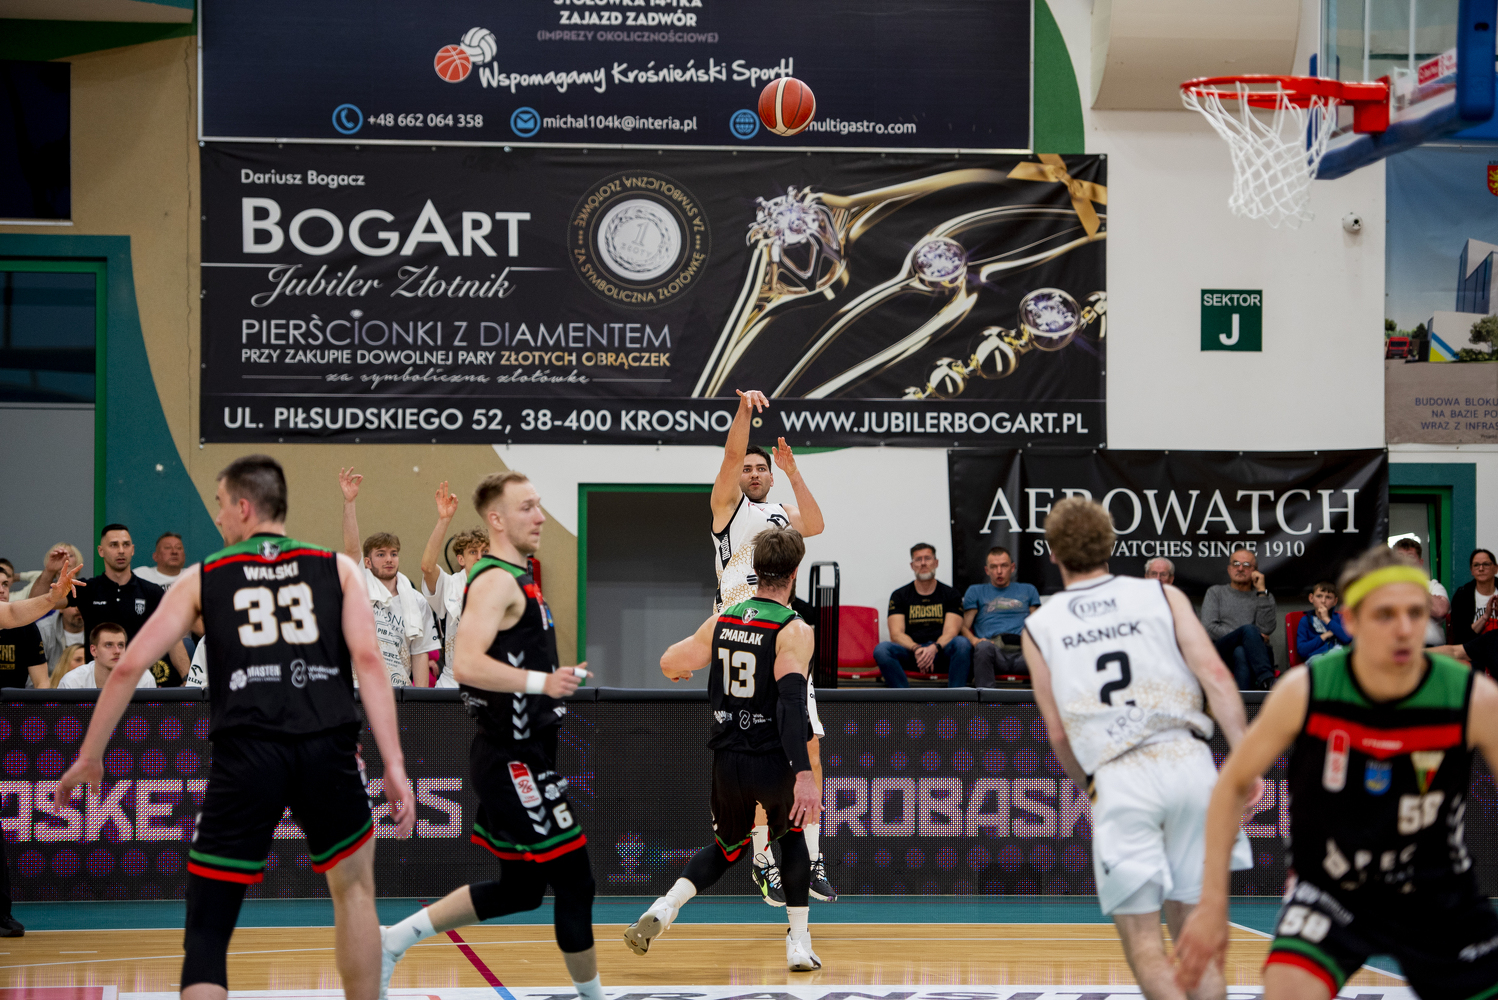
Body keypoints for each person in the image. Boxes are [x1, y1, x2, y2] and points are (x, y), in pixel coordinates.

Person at [54, 454, 415, 1000]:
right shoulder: (337, 569)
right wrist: (394, 763)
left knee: (208, 920)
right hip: (329, 749)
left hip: (246, 754)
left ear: (245, 507)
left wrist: (89, 755)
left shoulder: (205, 576)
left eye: (221, 504)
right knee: (356, 895)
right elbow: (369, 663)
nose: (219, 516)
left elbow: (128, 668)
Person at [1174, 545, 1498, 1000]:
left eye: (1414, 613)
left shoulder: (1472, 697)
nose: (1404, 629)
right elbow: (1230, 786)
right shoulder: (1306, 690)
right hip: (1330, 889)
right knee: (1287, 991)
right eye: (1385, 614)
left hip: (1435, 889)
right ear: (1350, 621)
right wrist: (1211, 905)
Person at [380, 471, 601, 1000]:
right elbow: (467, 663)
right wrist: (542, 682)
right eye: (527, 507)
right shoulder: (496, 580)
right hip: (512, 760)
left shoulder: (519, 578)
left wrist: (548, 681)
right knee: (576, 880)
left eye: (539, 505)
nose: (540, 516)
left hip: (523, 754)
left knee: (521, 889)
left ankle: (393, 940)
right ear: (496, 519)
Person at [1022, 498, 1254, 1000]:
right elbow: (1216, 677)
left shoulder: (1040, 625)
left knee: (1147, 947)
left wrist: (1090, 786)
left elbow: (1058, 732)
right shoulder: (1162, 596)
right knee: (1197, 942)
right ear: (1111, 543)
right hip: (1188, 760)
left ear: (1052, 552)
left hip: (1119, 772)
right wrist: (1245, 762)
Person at [628, 525, 823, 971]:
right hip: (771, 756)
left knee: (727, 847)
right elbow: (792, 706)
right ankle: (798, 942)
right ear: (794, 573)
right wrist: (804, 774)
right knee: (792, 838)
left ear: (755, 570)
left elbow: (670, 661)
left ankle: (664, 908)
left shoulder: (722, 620)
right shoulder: (794, 629)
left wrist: (680, 672)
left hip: (727, 758)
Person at [709, 389, 833, 906]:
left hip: (783, 639)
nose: (755, 472)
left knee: (808, 747)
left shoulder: (781, 513)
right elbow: (730, 455)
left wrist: (795, 472)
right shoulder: (727, 511)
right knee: (757, 755)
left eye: (762, 468)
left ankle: (813, 856)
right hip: (741, 637)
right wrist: (743, 412)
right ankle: (763, 860)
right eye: (749, 467)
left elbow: (817, 524)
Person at [340, 469, 441, 688]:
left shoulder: (417, 601)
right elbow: (352, 548)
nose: (389, 559)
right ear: (368, 562)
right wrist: (350, 502)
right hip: (359, 690)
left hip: (399, 693)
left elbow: (420, 653)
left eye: (393, 554)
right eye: (381, 554)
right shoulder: (359, 585)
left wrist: (419, 702)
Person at [68, 525, 190, 687]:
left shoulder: (152, 592)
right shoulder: (87, 589)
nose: (121, 550)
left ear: (132, 550)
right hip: (98, 685)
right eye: (114, 545)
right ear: (101, 551)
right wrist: (50, 572)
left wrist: (187, 678)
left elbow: (173, 638)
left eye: (125, 545)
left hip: (142, 684)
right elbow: (46, 602)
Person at [419, 481, 489, 689]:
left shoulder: (504, 587)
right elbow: (427, 567)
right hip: (453, 681)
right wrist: (444, 520)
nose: (480, 557)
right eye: (473, 552)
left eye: (485, 552)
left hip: (491, 683)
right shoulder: (450, 584)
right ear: (461, 559)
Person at [873, 543, 972, 687]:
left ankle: (956, 697)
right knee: (882, 650)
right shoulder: (899, 595)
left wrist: (934, 648)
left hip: (941, 652)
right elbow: (896, 634)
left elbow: (951, 632)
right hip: (912, 653)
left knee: (962, 644)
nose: (923, 563)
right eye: (918, 559)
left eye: (928, 558)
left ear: (936, 563)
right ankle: (904, 697)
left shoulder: (951, 594)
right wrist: (917, 649)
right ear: (912, 565)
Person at [1199, 548, 1277, 690]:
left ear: (1255, 571)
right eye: (1235, 564)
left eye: (1246, 565)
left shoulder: (1265, 596)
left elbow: (1266, 629)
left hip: (1255, 654)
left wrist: (1261, 590)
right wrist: (1246, 634)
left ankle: (1245, 701)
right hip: (1221, 653)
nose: (1240, 569)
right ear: (1229, 569)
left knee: (1240, 651)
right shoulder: (1215, 592)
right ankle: (1267, 679)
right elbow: (1209, 628)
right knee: (1248, 630)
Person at [962, 547, 1040, 686]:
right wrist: (975, 641)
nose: (999, 571)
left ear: (1012, 567)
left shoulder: (1028, 590)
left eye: (1004, 566)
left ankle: (1041, 700)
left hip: (1024, 652)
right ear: (987, 570)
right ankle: (986, 698)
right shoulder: (976, 591)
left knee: (1047, 649)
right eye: (994, 567)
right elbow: (963, 626)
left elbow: (1040, 625)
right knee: (983, 648)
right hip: (993, 651)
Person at [56, 623, 157, 689]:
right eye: (109, 645)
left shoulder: (143, 678)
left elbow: (149, 716)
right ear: (93, 650)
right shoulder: (73, 682)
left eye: (121, 645)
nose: (117, 651)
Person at [1392, 538, 1449, 646]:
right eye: (1400, 557)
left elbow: (1440, 610)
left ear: (1420, 563)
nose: (1405, 562)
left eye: (1410, 557)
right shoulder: (1384, 589)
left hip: (1431, 649)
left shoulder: (1433, 586)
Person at [0, 564, 49, 688]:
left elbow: (42, 682)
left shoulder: (26, 625)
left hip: (14, 699)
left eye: (5, 584)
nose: (2, 590)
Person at [1447, 548, 1497, 648]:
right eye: (1476, 565)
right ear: (1471, 571)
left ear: (1496, 568)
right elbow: (1460, 636)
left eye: (1486, 564)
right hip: (1471, 650)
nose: (1481, 569)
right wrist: (1484, 617)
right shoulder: (1462, 595)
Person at [1295, 582, 1352, 662]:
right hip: (1316, 659)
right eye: (1319, 596)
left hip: (1338, 657)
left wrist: (1326, 619)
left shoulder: (1340, 618)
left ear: (1335, 601)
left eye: (1328, 597)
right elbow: (1302, 650)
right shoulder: (1305, 621)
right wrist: (1324, 636)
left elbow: (1347, 638)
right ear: (1311, 598)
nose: (1323, 601)